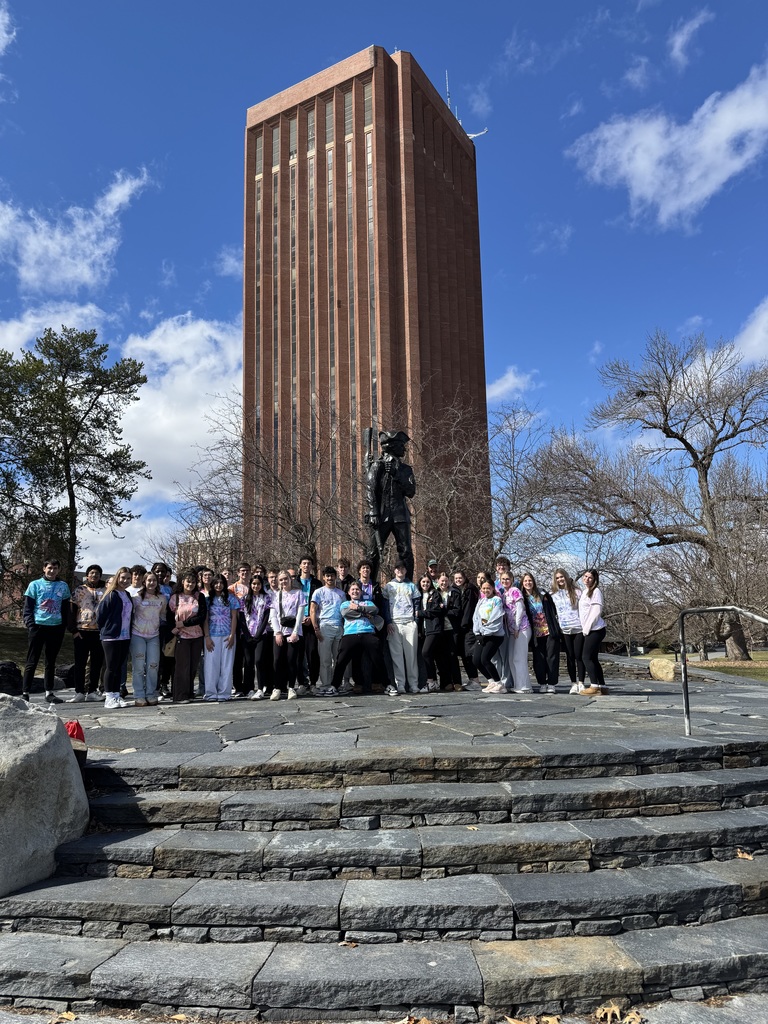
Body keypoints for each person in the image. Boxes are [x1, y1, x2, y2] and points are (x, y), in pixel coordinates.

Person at [365, 429, 416, 581]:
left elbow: (411, 491)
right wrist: (373, 512)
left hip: (400, 515)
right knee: (373, 552)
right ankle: (370, 585)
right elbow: (371, 489)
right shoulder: (377, 465)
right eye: (401, 445)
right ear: (392, 446)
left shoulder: (405, 469)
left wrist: (397, 474)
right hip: (382, 515)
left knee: (406, 551)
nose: (404, 449)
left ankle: (408, 583)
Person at [22, 558, 72, 704]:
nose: (52, 571)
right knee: (32, 661)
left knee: (50, 662)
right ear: (44, 568)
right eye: (49, 568)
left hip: (56, 628)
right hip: (38, 627)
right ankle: (25, 693)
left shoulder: (63, 586)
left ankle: (49, 692)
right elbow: (28, 608)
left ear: (59, 570)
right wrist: (30, 624)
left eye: (55, 568)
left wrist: (64, 626)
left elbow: (65, 609)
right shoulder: (34, 585)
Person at [329, 582, 380, 695]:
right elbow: (346, 613)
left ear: (361, 592)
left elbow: (375, 610)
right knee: (341, 660)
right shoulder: (345, 604)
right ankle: (334, 685)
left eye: (357, 589)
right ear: (348, 592)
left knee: (378, 657)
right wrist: (365, 613)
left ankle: (387, 684)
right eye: (352, 590)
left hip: (368, 632)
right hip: (350, 634)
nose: (355, 591)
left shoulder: (368, 602)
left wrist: (358, 608)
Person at [167, 570, 207, 703]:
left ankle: (189, 693)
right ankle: (179, 695)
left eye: (193, 582)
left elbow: (202, 616)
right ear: (183, 582)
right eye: (188, 581)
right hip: (181, 637)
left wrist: (184, 623)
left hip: (197, 636)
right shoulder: (175, 597)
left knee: (193, 666)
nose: (190, 584)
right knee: (182, 667)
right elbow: (168, 616)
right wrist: (173, 628)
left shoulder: (199, 596)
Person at [96, 567, 134, 709]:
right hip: (111, 636)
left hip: (125, 636)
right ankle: (109, 696)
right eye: (123, 578)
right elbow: (100, 616)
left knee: (119, 667)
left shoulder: (128, 595)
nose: (125, 581)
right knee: (111, 667)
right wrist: (107, 630)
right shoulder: (111, 595)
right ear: (117, 578)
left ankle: (117, 695)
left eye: (128, 578)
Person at [68, 564, 105, 703]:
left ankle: (92, 691)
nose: (94, 576)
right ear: (87, 575)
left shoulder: (105, 590)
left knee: (96, 663)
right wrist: (73, 630)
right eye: (92, 573)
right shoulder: (79, 590)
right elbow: (71, 611)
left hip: (99, 632)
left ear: (100, 576)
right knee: (80, 662)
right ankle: (79, 692)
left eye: (97, 573)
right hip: (81, 631)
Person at [382, 561, 421, 694]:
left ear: (405, 570)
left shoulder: (411, 586)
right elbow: (385, 606)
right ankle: (400, 684)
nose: (400, 570)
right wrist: (388, 622)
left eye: (402, 568)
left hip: (409, 623)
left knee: (411, 656)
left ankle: (413, 684)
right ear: (394, 571)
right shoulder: (388, 586)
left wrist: (415, 621)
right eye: (397, 568)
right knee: (397, 656)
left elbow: (417, 603)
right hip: (394, 623)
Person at [130, 571, 167, 706]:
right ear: (144, 582)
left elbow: (163, 616)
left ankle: (150, 693)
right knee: (139, 666)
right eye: (149, 580)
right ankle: (139, 694)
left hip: (154, 636)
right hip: (138, 635)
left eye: (154, 581)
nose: (151, 583)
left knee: (153, 665)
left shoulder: (162, 599)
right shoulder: (136, 597)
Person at [521, 572, 560, 693]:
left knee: (552, 657)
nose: (528, 583)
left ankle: (552, 683)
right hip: (535, 632)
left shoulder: (543, 593)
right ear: (523, 583)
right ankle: (542, 682)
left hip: (549, 630)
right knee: (539, 658)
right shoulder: (521, 597)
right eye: (526, 581)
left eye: (530, 580)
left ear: (533, 582)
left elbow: (553, 609)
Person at [269, 570, 305, 700]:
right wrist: (277, 632)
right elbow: (273, 615)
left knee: (291, 660)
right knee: (277, 660)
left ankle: (291, 687)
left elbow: (300, 613)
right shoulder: (276, 595)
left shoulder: (298, 593)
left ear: (290, 579)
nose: (284, 582)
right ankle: (277, 687)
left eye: (286, 579)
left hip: (294, 631)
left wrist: (295, 632)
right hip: (280, 631)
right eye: (281, 580)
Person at [494, 571, 532, 694]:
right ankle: (517, 684)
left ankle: (525, 686)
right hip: (511, 631)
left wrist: (516, 627)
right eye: (502, 579)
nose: (505, 581)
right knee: (510, 658)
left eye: (507, 579)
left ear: (512, 579)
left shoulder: (515, 590)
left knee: (519, 658)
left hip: (521, 629)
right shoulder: (503, 594)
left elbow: (520, 609)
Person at [203, 574, 239, 701]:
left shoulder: (231, 598)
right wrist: (207, 637)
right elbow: (205, 619)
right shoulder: (208, 600)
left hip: (227, 635)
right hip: (212, 636)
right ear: (212, 585)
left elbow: (234, 617)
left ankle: (224, 693)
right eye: (216, 583)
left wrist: (232, 635)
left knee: (226, 665)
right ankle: (211, 693)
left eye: (221, 583)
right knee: (211, 665)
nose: (219, 585)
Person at [310, 567, 345, 696]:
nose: (330, 578)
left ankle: (336, 684)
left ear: (335, 577)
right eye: (327, 576)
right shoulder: (318, 592)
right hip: (324, 627)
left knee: (338, 659)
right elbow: (313, 610)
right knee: (325, 659)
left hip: (339, 627)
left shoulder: (341, 594)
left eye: (332, 576)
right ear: (323, 577)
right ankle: (325, 685)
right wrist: (316, 628)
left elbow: (345, 611)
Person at [551, 568, 585, 694]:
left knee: (579, 656)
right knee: (569, 657)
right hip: (564, 630)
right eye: (557, 578)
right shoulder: (553, 595)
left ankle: (581, 682)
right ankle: (573, 683)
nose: (560, 579)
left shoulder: (577, 592)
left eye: (561, 577)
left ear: (566, 577)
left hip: (578, 628)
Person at [240, 574, 273, 699]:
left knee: (259, 661)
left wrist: (258, 634)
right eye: (253, 584)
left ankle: (260, 687)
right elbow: (241, 618)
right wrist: (247, 635)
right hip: (247, 635)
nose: (256, 586)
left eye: (258, 584)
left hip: (261, 634)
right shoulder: (244, 599)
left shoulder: (266, 598)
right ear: (250, 585)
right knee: (248, 662)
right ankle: (249, 688)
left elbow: (266, 617)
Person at [471, 576, 505, 684]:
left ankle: (498, 683)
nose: (486, 590)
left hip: (494, 635)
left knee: (485, 659)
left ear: (493, 588)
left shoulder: (497, 600)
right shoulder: (481, 601)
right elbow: (476, 617)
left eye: (488, 588)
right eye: (484, 588)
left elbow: (496, 618)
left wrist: (486, 632)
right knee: (476, 660)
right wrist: (477, 633)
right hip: (482, 634)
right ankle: (491, 682)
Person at [297, 555, 322, 693]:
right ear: (300, 565)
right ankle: (302, 682)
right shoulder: (294, 582)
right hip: (297, 623)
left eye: (309, 563)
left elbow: (320, 604)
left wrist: (312, 618)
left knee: (312, 653)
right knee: (299, 654)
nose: (306, 566)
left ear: (312, 566)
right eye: (304, 563)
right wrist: (299, 618)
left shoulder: (317, 583)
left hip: (312, 622)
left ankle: (313, 682)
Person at [579, 568, 606, 695]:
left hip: (595, 630)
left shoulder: (596, 591)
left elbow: (596, 612)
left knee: (586, 657)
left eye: (590, 577)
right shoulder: (585, 592)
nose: (587, 579)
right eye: (585, 576)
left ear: (594, 579)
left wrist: (587, 628)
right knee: (593, 658)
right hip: (589, 630)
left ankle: (594, 686)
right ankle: (602, 686)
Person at [453, 569, 480, 688]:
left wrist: (463, 625)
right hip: (462, 628)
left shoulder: (469, 590)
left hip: (468, 627)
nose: (458, 580)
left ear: (464, 578)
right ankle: (472, 679)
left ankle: (475, 680)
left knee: (468, 653)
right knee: (464, 654)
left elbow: (468, 610)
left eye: (460, 578)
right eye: (456, 578)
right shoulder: (458, 591)